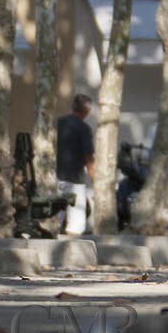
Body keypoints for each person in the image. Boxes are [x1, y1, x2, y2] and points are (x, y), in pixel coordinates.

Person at [55, 94, 95, 236]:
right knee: (76, 225)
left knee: (54, 220)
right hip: (74, 180)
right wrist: (94, 178)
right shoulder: (84, 129)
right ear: (86, 112)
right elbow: (88, 157)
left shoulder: (57, 123)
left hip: (55, 178)